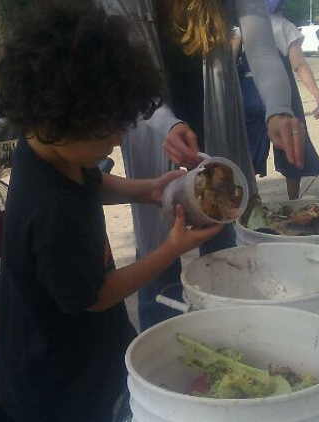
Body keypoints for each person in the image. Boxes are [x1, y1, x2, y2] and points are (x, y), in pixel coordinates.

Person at [0, 1, 223, 421]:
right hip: (61, 382)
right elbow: (96, 296)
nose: (116, 141)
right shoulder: (51, 215)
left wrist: (149, 190)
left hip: (89, 348)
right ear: (60, 119)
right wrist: (169, 250)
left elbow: (92, 183)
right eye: (107, 130)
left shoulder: (46, 148)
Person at [102, 0, 305, 330]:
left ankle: (235, 333)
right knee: (157, 253)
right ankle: (162, 359)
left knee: (226, 242)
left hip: (215, 111)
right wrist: (166, 123)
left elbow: (263, 49)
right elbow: (127, 76)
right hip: (149, 116)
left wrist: (279, 110)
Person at [236, 0, 319, 199]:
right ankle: (293, 200)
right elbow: (299, 65)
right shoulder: (286, 27)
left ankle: (248, 201)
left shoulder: (243, 26)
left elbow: (232, 60)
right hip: (283, 96)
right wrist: (317, 96)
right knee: (291, 144)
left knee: (248, 151)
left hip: (250, 93)